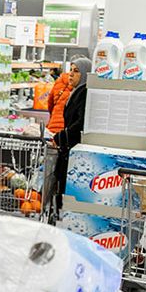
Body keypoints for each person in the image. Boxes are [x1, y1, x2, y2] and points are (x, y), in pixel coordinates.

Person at [52, 58, 92, 209]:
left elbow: (80, 123)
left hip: (74, 149)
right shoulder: (76, 92)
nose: (71, 75)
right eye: (71, 70)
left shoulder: (85, 93)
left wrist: (61, 137)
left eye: (76, 72)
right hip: (69, 148)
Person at [45, 64, 75, 134]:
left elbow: (50, 103)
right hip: (67, 130)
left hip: (53, 125)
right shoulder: (81, 86)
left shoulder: (59, 80)